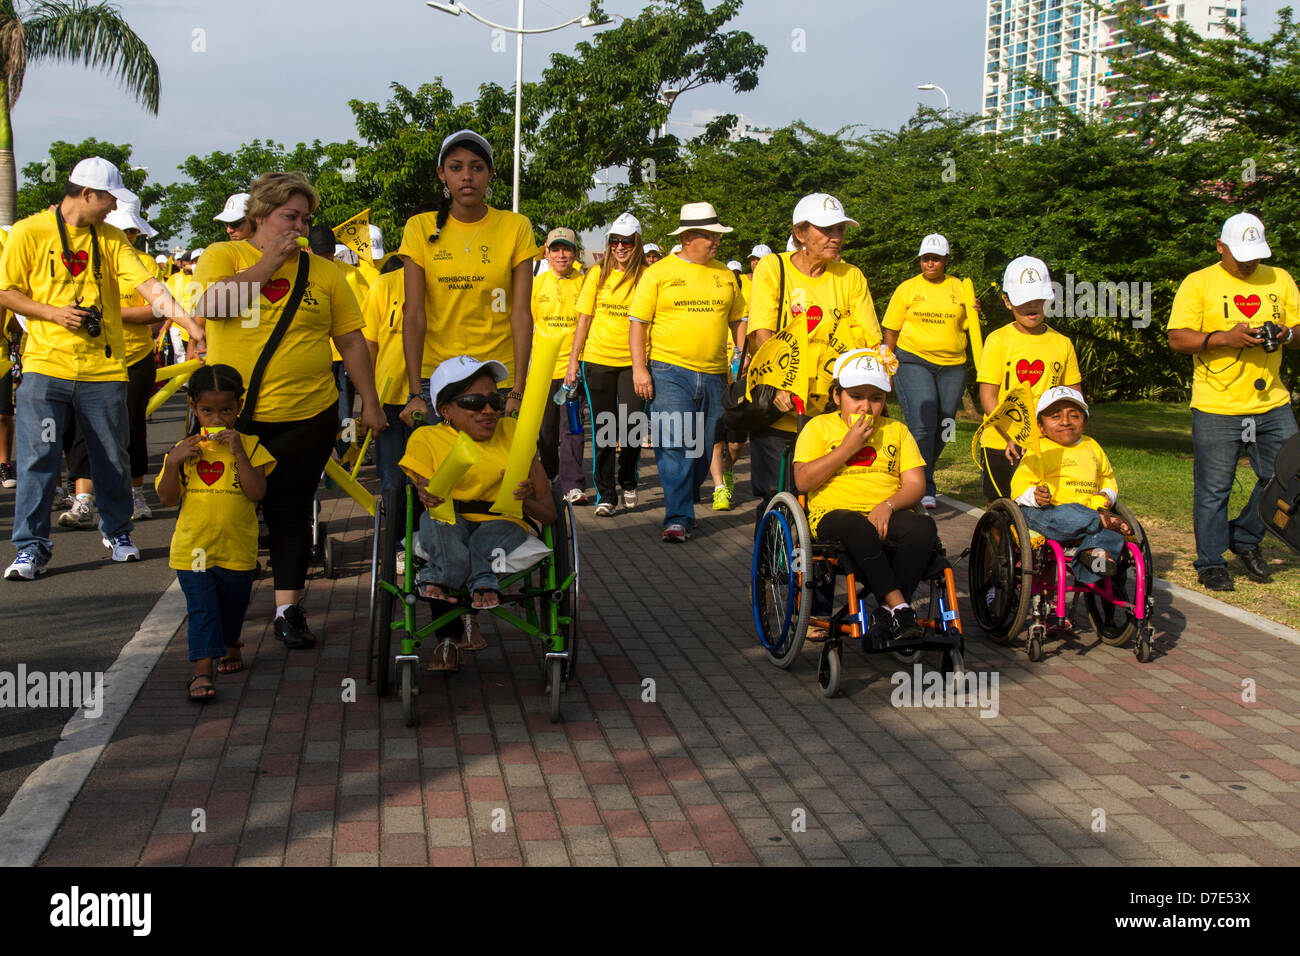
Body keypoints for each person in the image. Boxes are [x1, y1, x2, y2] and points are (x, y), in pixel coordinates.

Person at [193, 171, 386, 647]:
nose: (298, 227)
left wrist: (370, 402)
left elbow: (350, 339)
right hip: (236, 417)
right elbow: (211, 308)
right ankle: (223, 621)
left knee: (292, 512)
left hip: (307, 413)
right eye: (289, 216)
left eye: (305, 218)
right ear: (260, 215)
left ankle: (288, 610)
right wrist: (266, 268)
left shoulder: (323, 271)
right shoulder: (225, 255)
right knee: (227, 514)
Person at [0, 157, 203, 580]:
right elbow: (6, 290)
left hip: (104, 370)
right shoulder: (28, 232)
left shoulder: (110, 238)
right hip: (45, 366)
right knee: (39, 457)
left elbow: (150, 286)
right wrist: (52, 313)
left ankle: (117, 532)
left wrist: (185, 321)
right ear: (87, 193)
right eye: (109, 198)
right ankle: (31, 547)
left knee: (112, 457)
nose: (113, 206)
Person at [1167, 213, 1300, 591]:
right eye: (1240, 254)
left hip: (1272, 402)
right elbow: (1177, 339)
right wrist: (1225, 338)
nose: (1249, 262)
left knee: (1287, 478)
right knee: (1214, 488)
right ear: (1219, 246)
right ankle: (1211, 561)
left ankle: (1243, 538)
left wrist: (1285, 333)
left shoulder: (1280, 279)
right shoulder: (1199, 282)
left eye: (1255, 254)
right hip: (1217, 405)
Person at [399, 355, 555, 672]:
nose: (488, 410)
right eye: (473, 402)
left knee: (483, 538)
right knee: (440, 523)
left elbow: (550, 513)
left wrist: (523, 501)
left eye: (494, 401)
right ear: (445, 410)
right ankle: (450, 584)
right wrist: (424, 489)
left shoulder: (516, 434)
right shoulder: (427, 439)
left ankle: (464, 582)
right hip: (448, 519)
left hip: (503, 521)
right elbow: (423, 491)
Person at [747, 193, 883, 531]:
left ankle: (812, 572)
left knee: (824, 496)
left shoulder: (851, 276)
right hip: (781, 407)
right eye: (826, 229)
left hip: (830, 410)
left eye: (840, 229)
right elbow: (761, 331)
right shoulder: (773, 267)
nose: (836, 237)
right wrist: (779, 383)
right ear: (800, 232)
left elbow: (869, 338)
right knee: (779, 497)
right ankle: (773, 571)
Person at [398, 129, 538, 426]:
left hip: (498, 377)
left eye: (477, 167)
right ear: (441, 174)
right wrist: (414, 392)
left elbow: (522, 314)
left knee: (502, 472)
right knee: (435, 471)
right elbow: (413, 316)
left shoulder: (516, 226)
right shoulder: (419, 227)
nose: (466, 176)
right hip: (436, 377)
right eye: (456, 167)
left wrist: (518, 389)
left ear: (490, 174)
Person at [793, 348, 934, 642]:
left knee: (923, 527)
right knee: (854, 526)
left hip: (886, 512)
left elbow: (916, 484)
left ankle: (886, 612)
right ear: (836, 396)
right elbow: (803, 481)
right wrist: (847, 448)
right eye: (856, 396)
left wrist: (888, 505)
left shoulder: (897, 430)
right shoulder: (818, 427)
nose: (865, 407)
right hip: (833, 515)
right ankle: (900, 607)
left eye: (875, 398)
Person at [156, 364, 275, 700]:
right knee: (202, 608)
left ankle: (231, 641)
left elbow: (256, 493)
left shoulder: (250, 446)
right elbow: (166, 499)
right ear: (194, 407)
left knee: (233, 605)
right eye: (207, 411)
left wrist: (238, 452)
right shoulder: (183, 449)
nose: (217, 419)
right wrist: (171, 463)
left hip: (237, 547)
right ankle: (202, 670)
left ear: (239, 406)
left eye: (226, 410)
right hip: (192, 547)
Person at [630, 202, 745, 542]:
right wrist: (640, 369)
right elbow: (638, 324)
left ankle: (685, 499)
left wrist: (740, 357)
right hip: (668, 370)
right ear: (689, 238)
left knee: (705, 446)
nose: (716, 243)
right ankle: (678, 517)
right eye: (710, 237)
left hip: (714, 375)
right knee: (674, 442)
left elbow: (739, 319)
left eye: (717, 237)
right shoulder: (659, 273)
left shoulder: (725, 274)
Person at [61, 192, 166, 527]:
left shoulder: (144, 264)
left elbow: (156, 308)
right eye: (125, 230)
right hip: (89, 358)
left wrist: (114, 314)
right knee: (83, 428)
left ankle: (135, 492)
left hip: (134, 357)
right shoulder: (82, 257)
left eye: (133, 232)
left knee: (132, 427)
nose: (129, 236)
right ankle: (84, 499)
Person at [975, 256, 1081, 501]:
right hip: (1001, 444)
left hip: (1048, 445)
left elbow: (1074, 398)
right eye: (1023, 300)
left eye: (1038, 299)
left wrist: (1069, 434)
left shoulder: (1062, 344)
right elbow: (988, 395)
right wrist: (1010, 434)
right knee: (1003, 509)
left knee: (1048, 508)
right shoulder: (998, 340)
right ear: (1007, 301)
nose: (1032, 306)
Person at [884, 233, 976, 509]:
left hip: (953, 365)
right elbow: (891, 329)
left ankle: (916, 473)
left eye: (936, 259)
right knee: (922, 425)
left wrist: (975, 312)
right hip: (913, 360)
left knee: (946, 428)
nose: (930, 263)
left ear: (947, 260)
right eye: (926, 258)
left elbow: (971, 327)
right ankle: (923, 485)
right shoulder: (907, 289)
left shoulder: (960, 288)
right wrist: (886, 366)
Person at [567, 212, 648, 517]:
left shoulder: (646, 276)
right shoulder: (597, 274)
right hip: (598, 360)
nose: (620, 247)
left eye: (626, 241)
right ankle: (606, 494)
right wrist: (573, 362)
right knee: (603, 428)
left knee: (630, 426)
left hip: (632, 363)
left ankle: (628, 478)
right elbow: (584, 320)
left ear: (636, 243)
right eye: (615, 241)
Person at [1010, 385, 1130, 585]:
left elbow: (1107, 477)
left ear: (1085, 421)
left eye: (1074, 416)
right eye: (1055, 416)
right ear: (1040, 426)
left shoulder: (1092, 447)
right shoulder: (1038, 449)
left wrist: (1107, 494)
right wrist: (1035, 495)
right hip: (1048, 512)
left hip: (1088, 510)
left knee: (1114, 537)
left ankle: (1092, 557)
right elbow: (1019, 486)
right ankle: (1099, 521)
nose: (1065, 421)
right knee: (1070, 516)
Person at [531, 226, 588, 503]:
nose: (561, 254)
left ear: (575, 253)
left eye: (567, 249)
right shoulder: (535, 284)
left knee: (573, 428)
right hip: (542, 370)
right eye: (556, 249)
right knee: (546, 432)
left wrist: (576, 362)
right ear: (547, 252)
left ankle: (573, 484)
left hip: (573, 369)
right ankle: (552, 473)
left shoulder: (585, 283)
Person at [362, 256, 409, 491]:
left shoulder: (446, 284)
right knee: (393, 481)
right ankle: (393, 527)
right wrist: (368, 400)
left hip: (433, 398)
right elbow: (368, 344)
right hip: (388, 398)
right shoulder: (384, 285)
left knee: (428, 482)